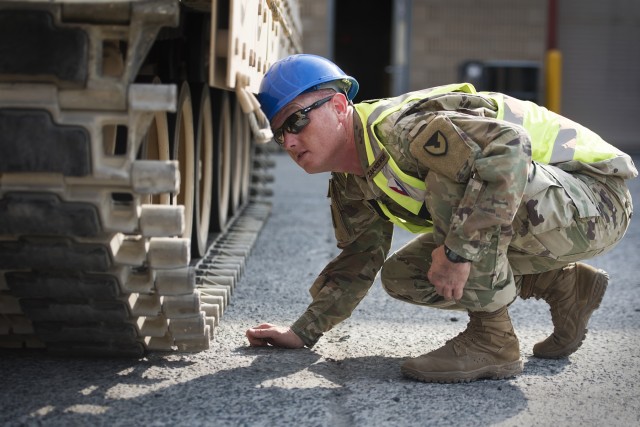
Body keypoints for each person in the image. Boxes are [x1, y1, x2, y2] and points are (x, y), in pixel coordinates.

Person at [245, 53, 637, 383]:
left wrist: (457, 253)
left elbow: (508, 149)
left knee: (455, 179)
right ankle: (562, 285)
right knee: (405, 275)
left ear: (336, 105)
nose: (291, 142)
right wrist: (302, 333)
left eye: (297, 121)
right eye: (281, 134)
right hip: (553, 213)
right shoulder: (351, 180)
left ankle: (492, 341)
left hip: (596, 199)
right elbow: (358, 260)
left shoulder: (400, 130)